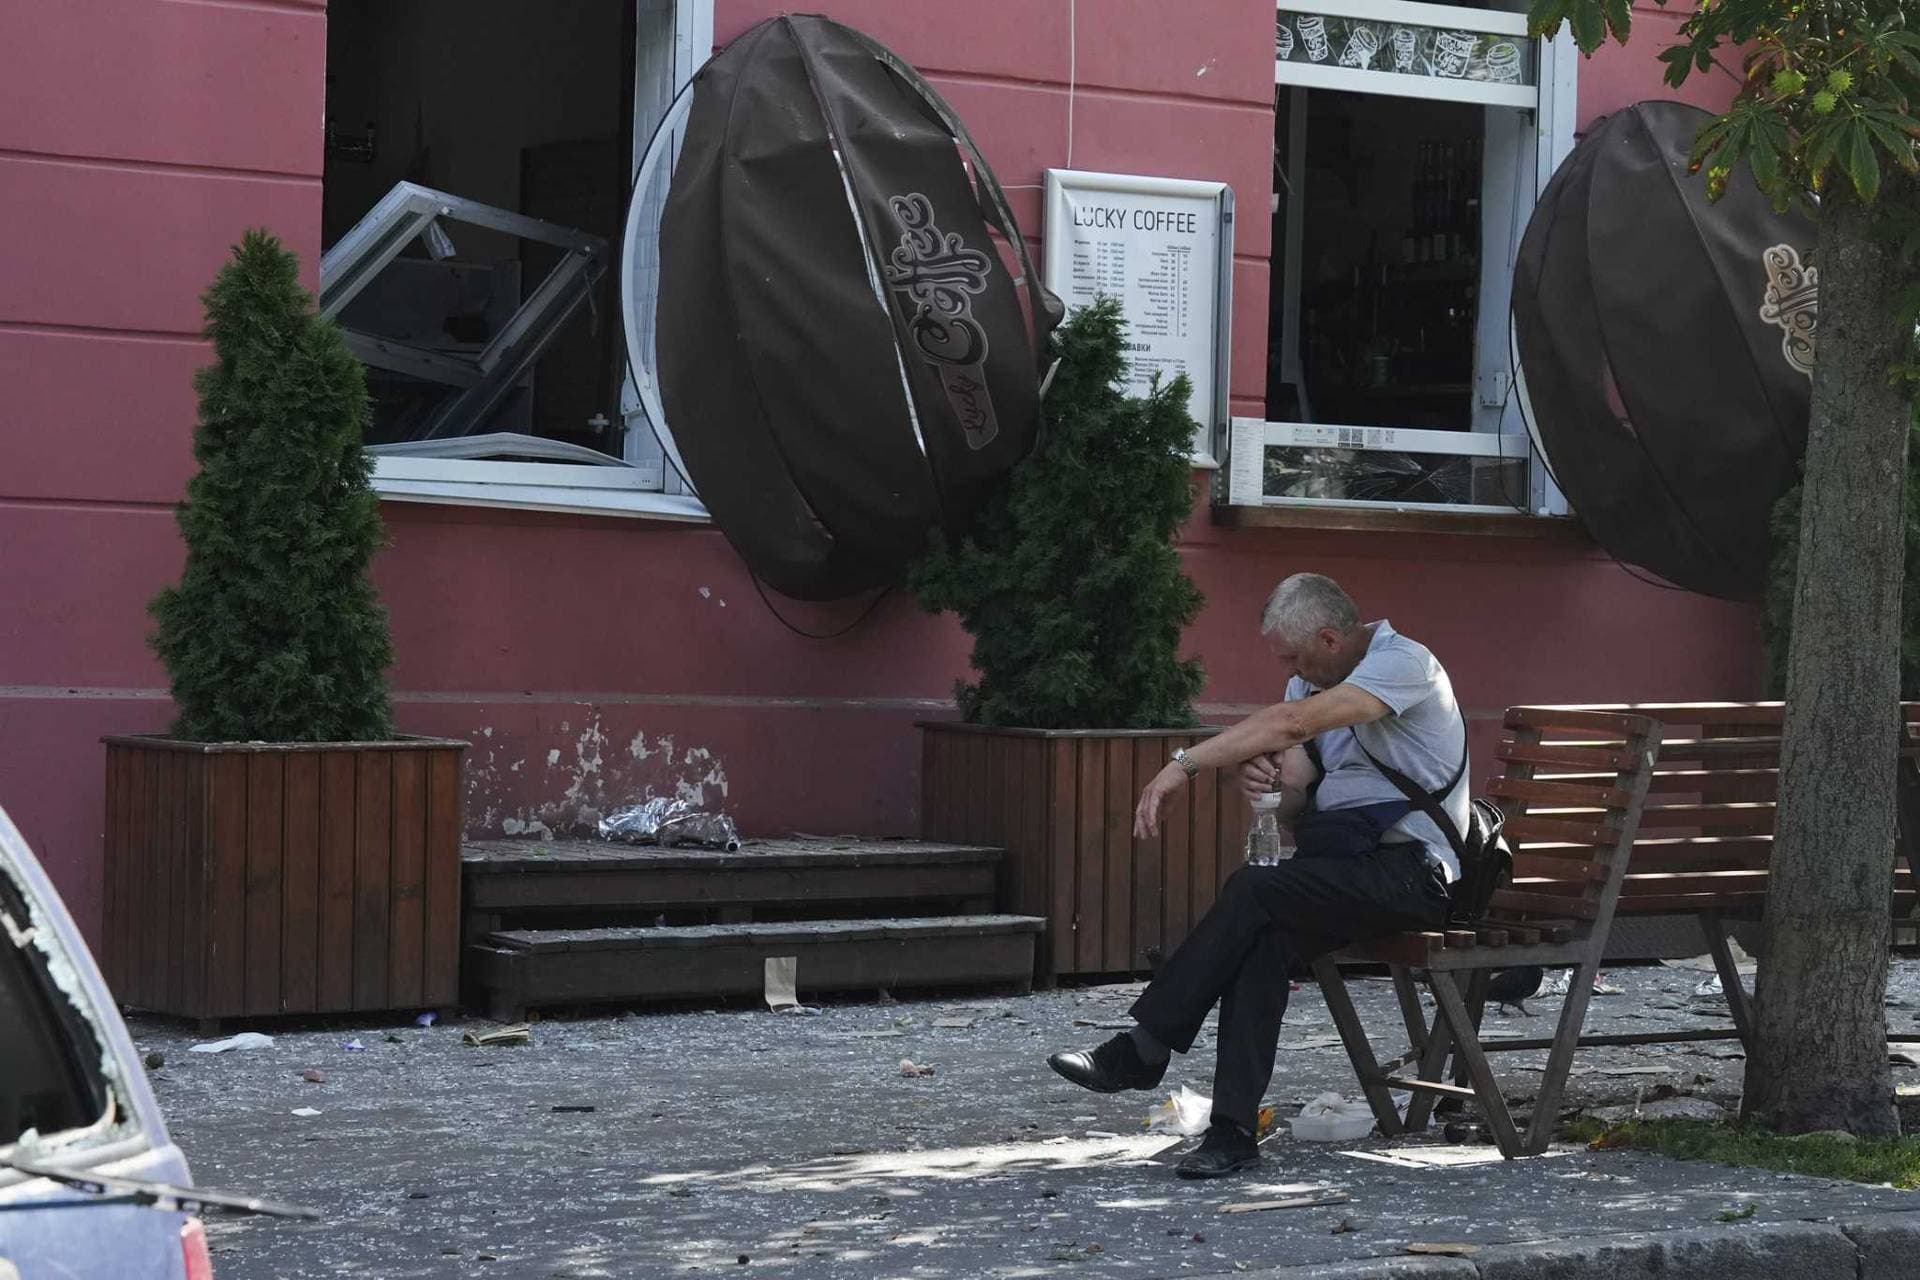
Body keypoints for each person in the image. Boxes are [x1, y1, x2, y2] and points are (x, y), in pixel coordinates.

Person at [1047, 573, 1469, 1178]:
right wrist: (1266, 787)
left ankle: (1145, 1046)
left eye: (1292, 655)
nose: (1287, 668)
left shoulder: (1406, 664)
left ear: (1329, 638)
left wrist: (1181, 768)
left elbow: (1293, 724)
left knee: (1254, 889)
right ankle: (1232, 1133)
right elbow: (1296, 793)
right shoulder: (1310, 680)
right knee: (1261, 938)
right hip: (1347, 868)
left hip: (1415, 875)